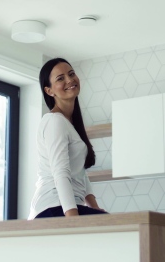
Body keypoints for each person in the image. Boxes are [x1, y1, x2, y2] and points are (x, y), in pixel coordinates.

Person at [28, 58, 107, 219]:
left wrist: (94, 207)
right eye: (60, 78)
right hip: (53, 207)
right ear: (49, 91)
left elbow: (79, 173)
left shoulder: (69, 124)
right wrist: (72, 219)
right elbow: (60, 172)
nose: (69, 80)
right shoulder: (55, 121)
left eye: (71, 74)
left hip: (64, 207)